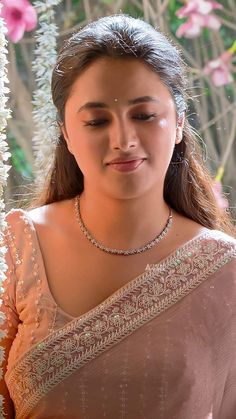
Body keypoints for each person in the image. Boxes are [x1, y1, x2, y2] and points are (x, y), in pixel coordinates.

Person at [1, 14, 236, 419]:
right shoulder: (13, 249)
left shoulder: (224, 273)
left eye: (144, 115)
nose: (123, 140)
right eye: (96, 121)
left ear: (179, 123)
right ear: (67, 136)